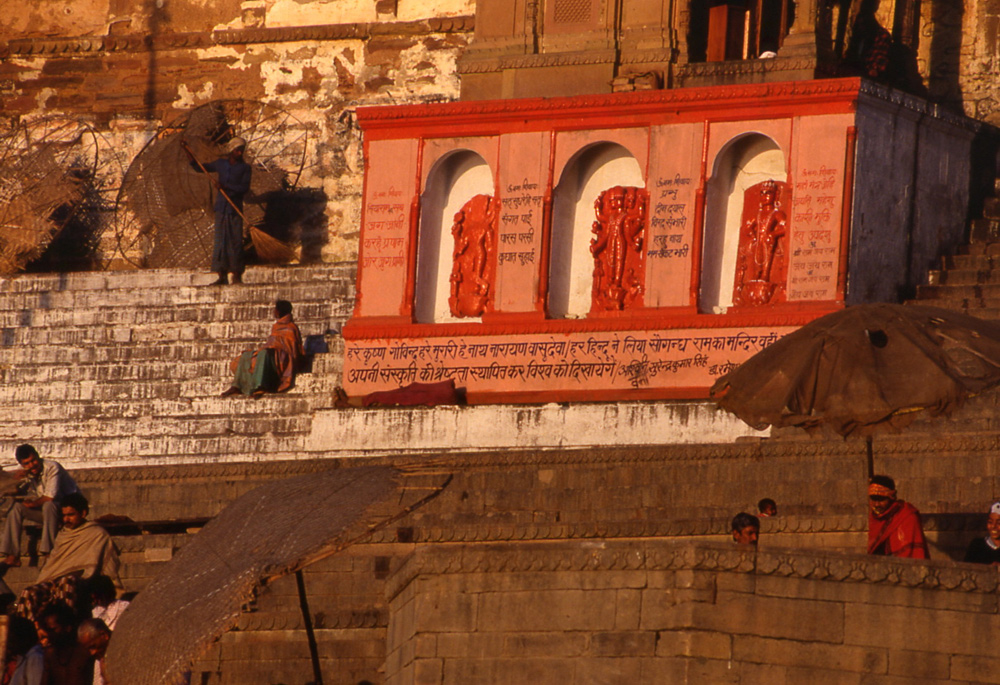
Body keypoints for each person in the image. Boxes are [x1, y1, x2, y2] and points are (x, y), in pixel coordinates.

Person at [184, 136, 252, 285]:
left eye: (241, 150)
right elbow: (199, 168)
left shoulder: (245, 168)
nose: (240, 153)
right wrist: (187, 151)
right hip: (221, 208)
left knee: (235, 241)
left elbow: (244, 188)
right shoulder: (221, 164)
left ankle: (236, 274)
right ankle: (222, 275)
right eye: (237, 150)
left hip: (235, 209)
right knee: (221, 241)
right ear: (231, 150)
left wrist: (227, 188)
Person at [0, 445, 80, 568]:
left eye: (33, 460)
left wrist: (32, 504)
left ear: (38, 456)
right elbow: (16, 492)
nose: (32, 465)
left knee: (48, 505)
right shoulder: (27, 472)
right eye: (27, 463)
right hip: (50, 515)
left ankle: (49, 552)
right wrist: (16, 480)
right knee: (16, 508)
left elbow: (49, 497)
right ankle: (13, 555)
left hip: (69, 512)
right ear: (22, 464)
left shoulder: (52, 467)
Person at [221, 299, 304, 398]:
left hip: (282, 360)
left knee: (264, 354)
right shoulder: (276, 327)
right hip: (272, 354)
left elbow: (292, 350)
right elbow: (272, 343)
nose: (274, 312)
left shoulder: (292, 327)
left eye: (275, 309)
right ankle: (237, 386)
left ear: (278, 311)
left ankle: (260, 386)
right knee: (246, 355)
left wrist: (276, 352)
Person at [36, 493, 120, 586]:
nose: (66, 519)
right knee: (30, 591)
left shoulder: (98, 534)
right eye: (64, 515)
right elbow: (53, 566)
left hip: (84, 583)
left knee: (68, 583)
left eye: (70, 515)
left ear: (83, 513)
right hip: (56, 581)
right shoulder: (63, 534)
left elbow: (104, 568)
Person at [866, 475, 929, 559]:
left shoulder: (907, 516)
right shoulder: (875, 519)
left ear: (891, 497)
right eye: (873, 499)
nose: (876, 504)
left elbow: (914, 554)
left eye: (881, 499)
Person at [37, 604, 91, 685]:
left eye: (54, 629)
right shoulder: (50, 654)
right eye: (48, 630)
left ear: (68, 627)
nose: (50, 634)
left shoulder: (85, 651)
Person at [77, 619, 110, 685]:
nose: (92, 653)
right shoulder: (100, 661)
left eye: (93, 646)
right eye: (88, 649)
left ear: (104, 635)